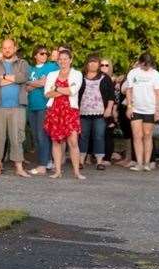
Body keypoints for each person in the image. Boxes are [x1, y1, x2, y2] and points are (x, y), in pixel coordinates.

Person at [0, 39, 30, 177]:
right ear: (2, 49)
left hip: (17, 106)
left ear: (15, 48)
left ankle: (19, 168)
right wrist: (12, 79)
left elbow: (23, 77)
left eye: (10, 47)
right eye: (4, 48)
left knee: (17, 137)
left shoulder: (23, 63)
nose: (7, 50)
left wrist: (3, 77)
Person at [43, 49, 84, 179]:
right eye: (60, 59)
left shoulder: (77, 74)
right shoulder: (52, 74)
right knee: (56, 142)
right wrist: (63, 90)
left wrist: (55, 88)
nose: (63, 61)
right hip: (55, 110)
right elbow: (47, 93)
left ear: (71, 60)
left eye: (66, 58)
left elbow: (73, 91)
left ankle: (77, 172)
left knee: (73, 142)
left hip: (70, 110)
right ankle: (58, 171)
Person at [125, 53, 159, 171]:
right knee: (137, 136)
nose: (146, 67)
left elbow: (158, 93)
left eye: (148, 65)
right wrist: (129, 106)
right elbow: (129, 90)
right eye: (144, 65)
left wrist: (158, 110)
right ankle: (139, 163)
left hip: (150, 109)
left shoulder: (155, 74)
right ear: (140, 62)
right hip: (136, 108)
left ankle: (147, 163)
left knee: (147, 135)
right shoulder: (133, 73)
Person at [78, 53, 115, 170]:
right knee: (83, 136)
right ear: (87, 64)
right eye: (90, 61)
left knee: (99, 136)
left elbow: (111, 96)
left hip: (100, 112)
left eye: (95, 62)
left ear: (98, 64)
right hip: (83, 112)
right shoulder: (80, 77)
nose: (93, 64)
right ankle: (80, 161)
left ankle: (100, 161)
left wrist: (109, 109)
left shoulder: (105, 78)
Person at [25, 46, 59, 175]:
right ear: (35, 55)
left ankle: (43, 165)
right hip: (32, 106)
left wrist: (31, 83)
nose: (44, 55)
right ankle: (46, 161)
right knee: (35, 136)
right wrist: (36, 83)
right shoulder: (31, 70)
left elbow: (45, 83)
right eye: (41, 53)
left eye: (46, 53)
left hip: (44, 106)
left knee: (42, 135)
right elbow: (25, 87)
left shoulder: (51, 67)